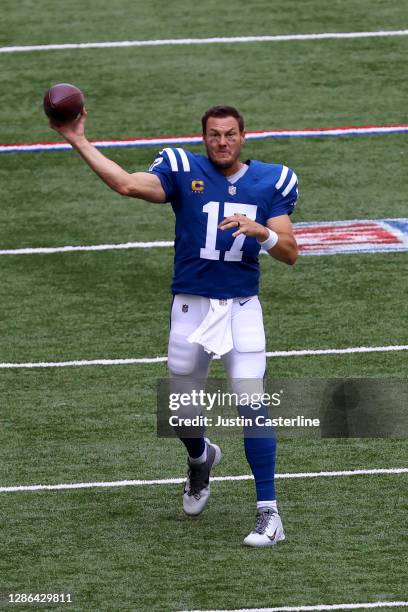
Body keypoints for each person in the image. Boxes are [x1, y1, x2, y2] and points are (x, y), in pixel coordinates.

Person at [49, 105, 298, 547]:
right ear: (203, 137)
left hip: (241, 306)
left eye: (230, 134)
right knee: (181, 409)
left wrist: (261, 231)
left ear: (243, 136)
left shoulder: (272, 180)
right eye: (214, 135)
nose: (222, 142)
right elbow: (126, 183)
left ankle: (270, 513)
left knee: (250, 400)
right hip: (191, 305)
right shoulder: (182, 168)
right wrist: (77, 138)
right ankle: (201, 458)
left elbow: (291, 252)